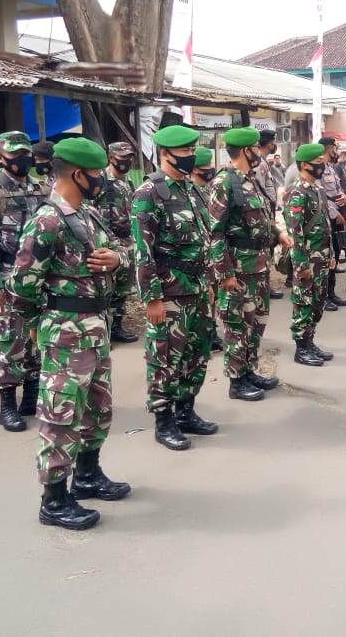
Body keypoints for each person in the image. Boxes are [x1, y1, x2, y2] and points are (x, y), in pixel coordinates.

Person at [8, 137, 130, 531]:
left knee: (97, 408)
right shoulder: (47, 221)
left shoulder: (88, 215)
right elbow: (22, 284)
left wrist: (116, 260)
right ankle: (55, 500)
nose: (102, 181)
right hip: (64, 333)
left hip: (96, 328)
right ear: (78, 174)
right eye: (96, 174)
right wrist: (36, 329)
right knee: (60, 415)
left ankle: (89, 475)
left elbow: (119, 251)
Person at [132, 126, 217, 451]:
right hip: (168, 294)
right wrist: (151, 298)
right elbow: (143, 251)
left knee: (196, 355)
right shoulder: (149, 194)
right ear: (165, 154)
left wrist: (208, 281)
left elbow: (204, 241)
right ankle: (164, 421)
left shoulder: (193, 190)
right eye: (184, 152)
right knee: (165, 358)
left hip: (197, 288)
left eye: (193, 150)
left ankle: (186, 411)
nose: (191, 157)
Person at [0, 130, 48, 432]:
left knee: (34, 341)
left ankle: (31, 397)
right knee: (9, 343)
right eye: (14, 155)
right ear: (0, 157)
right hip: (5, 278)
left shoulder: (39, 188)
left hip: (35, 281)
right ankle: (7, 406)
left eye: (25, 154)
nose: (22, 160)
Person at [209, 127, 292, 401]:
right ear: (246, 151)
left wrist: (278, 233)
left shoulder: (251, 179)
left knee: (257, 322)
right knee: (237, 325)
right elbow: (215, 232)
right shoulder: (224, 183)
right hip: (238, 269)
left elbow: (259, 221)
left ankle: (248, 370)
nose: (260, 152)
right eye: (256, 148)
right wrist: (225, 273)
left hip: (258, 266)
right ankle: (236, 381)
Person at [285, 143, 335, 366]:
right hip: (306, 259)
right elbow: (295, 233)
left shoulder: (317, 190)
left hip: (321, 257)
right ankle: (301, 347)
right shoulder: (297, 193)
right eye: (317, 162)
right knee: (304, 301)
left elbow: (325, 226)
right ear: (304, 165)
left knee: (318, 301)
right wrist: (302, 264)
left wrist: (331, 254)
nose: (321, 166)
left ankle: (310, 340)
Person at [96, 141, 139, 344]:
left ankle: (116, 327)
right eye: (123, 158)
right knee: (106, 288)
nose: (127, 161)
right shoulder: (102, 181)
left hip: (127, 241)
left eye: (129, 157)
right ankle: (102, 331)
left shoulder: (128, 183)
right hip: (107, 242)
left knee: (123, 289)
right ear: (111, 158)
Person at [190, 146, 224, 354]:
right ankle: (206, 332)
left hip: (213, 252)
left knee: (214, 294)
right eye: (206, 166)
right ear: (195, 169)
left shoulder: (208, 190)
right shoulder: (191, 193)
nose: (211, 169)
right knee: (206, 295)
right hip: (201, 255)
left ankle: (211, 328)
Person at [318, 136, 346, 311]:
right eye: (334, 149)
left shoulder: (331, 168)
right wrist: (334, 214)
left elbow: (336, 190)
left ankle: (331, 293)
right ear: (328, 149)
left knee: (336, 254)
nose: (336, 152)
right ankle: (323, 296)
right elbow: (321, 196)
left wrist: (343, 195)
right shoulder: (319, 167)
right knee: (328, 256)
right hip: (328, 217)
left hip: (338, 214)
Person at [252, 129, 283, 300]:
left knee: (268, 251)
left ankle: (265, 285)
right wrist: (269, 215)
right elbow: (259, 190)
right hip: (264, 212)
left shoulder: (264, 162)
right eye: (272, 142)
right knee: (266, 251)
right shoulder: (259, 164)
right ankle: (263, 287)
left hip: (268, 210)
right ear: (268, 144)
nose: (274, 146)